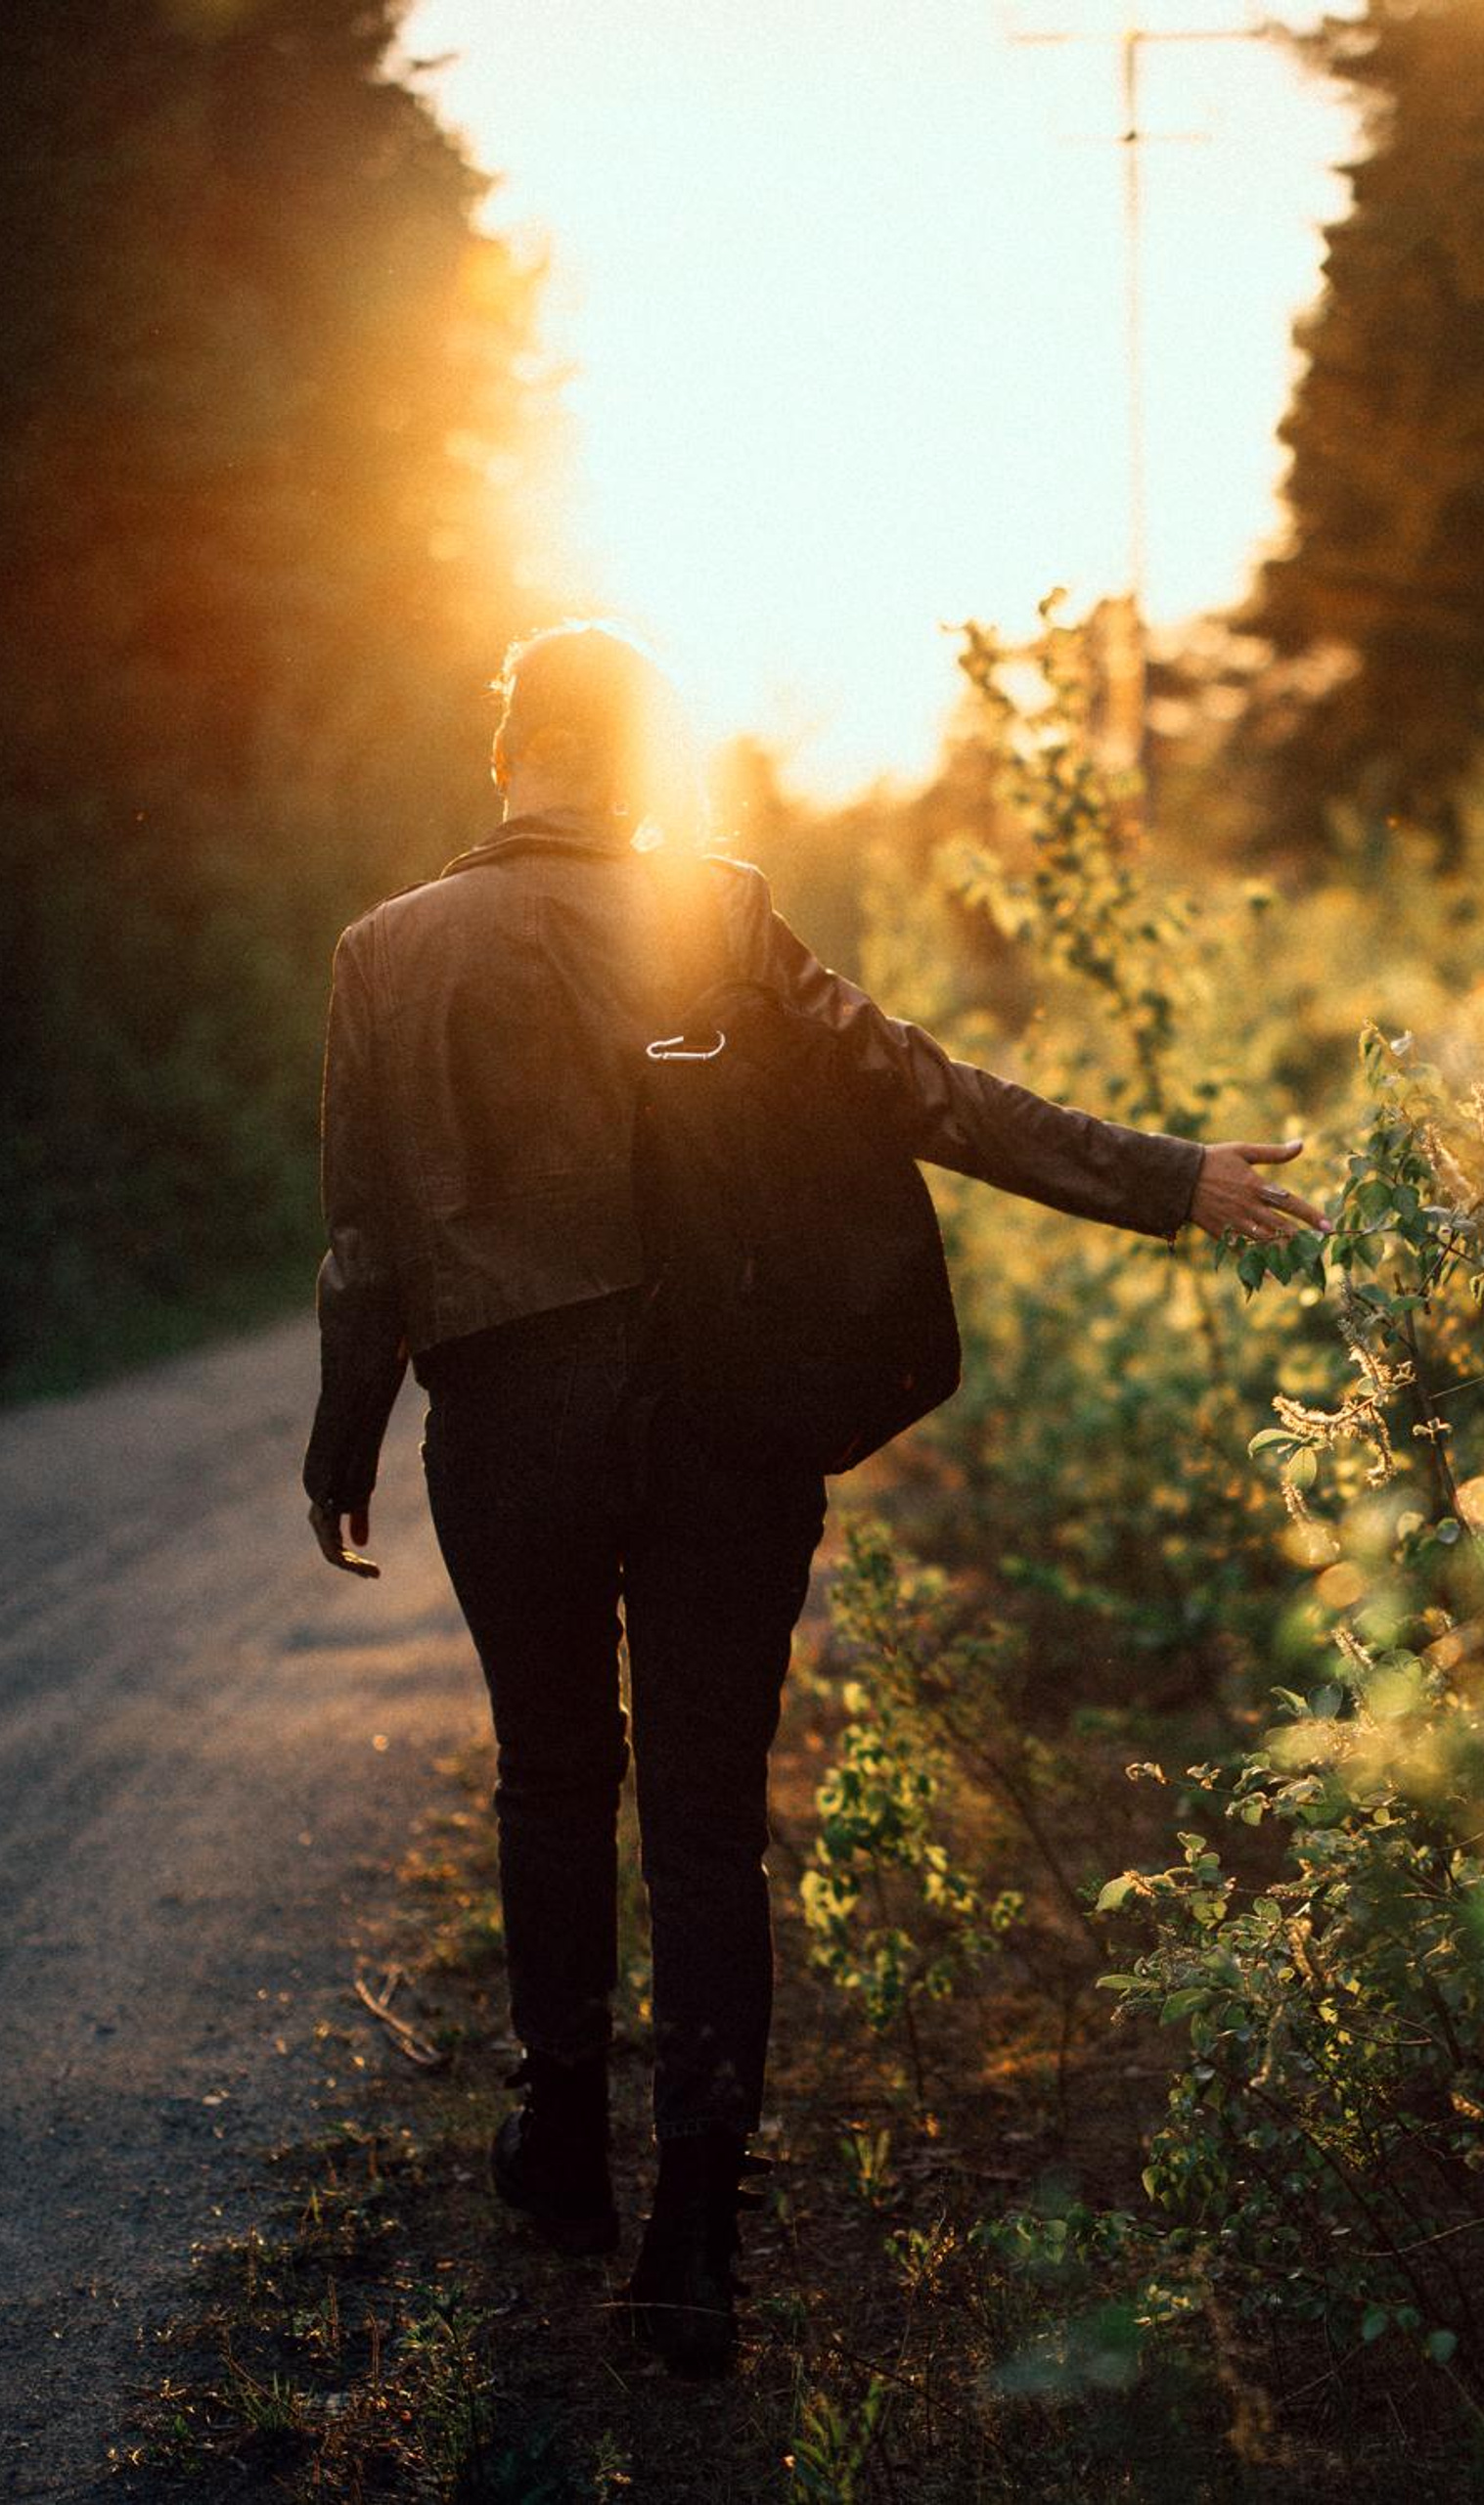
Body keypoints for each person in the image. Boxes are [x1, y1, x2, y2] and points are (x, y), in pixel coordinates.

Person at [301, 619, 1322, 2374]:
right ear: (629, 763)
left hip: (513, 1423)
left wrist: (343, 1442)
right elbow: (919, 1088)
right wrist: (1167, 1176)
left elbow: (364, 1238)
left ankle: (558, 2151)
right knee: (704, 1817)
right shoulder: (709, 911)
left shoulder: (383, 956)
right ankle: (692, 2242)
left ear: (505, 751)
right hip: (720, 1416)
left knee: (552, 1778)